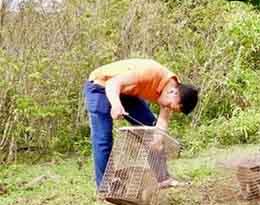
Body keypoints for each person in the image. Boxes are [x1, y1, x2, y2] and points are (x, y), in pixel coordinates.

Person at [83, 58, 199, 191]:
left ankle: (163, 179)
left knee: (150, 129)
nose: (167, 108)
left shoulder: (173, 91)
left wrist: (157, 141)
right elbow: (112, 83)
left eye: (172, 109)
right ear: (173, 92)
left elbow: (161, 124)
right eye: (170, 106)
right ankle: (105, 188)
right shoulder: (149, 72)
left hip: (128, 92)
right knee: (103, 139)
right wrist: (116, 105)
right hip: (101, 87)